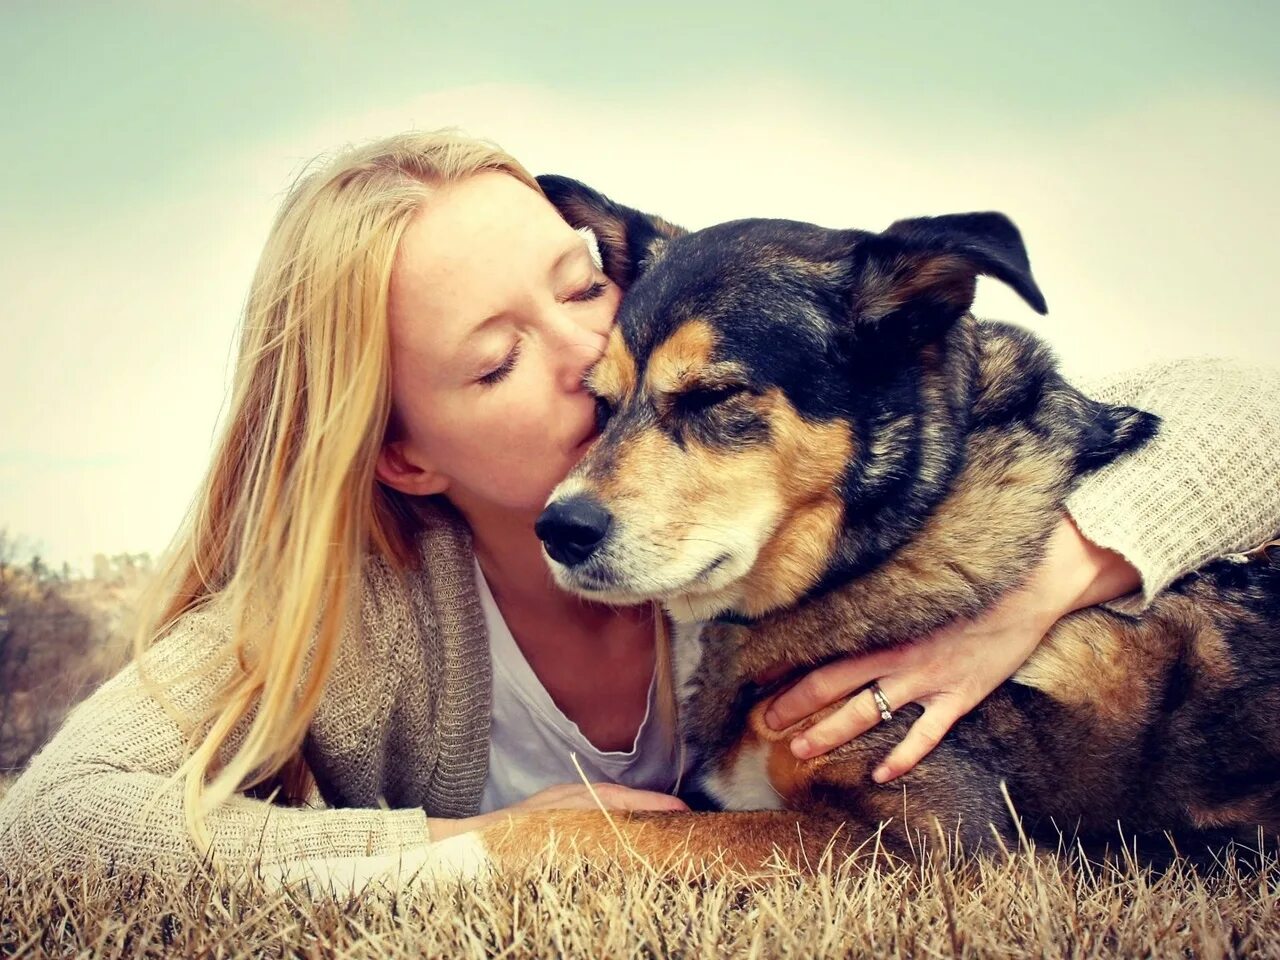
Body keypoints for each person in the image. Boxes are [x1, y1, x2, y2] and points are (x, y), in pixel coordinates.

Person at [1, 130, 1277, 882]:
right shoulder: (362, 612)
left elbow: (1234, 412)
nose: (586, 360)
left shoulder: (771, 521)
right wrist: (481, 850)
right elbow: (53, 828)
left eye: (580, 283)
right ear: (403, 456)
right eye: (493, 363)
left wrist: (1040, 593)